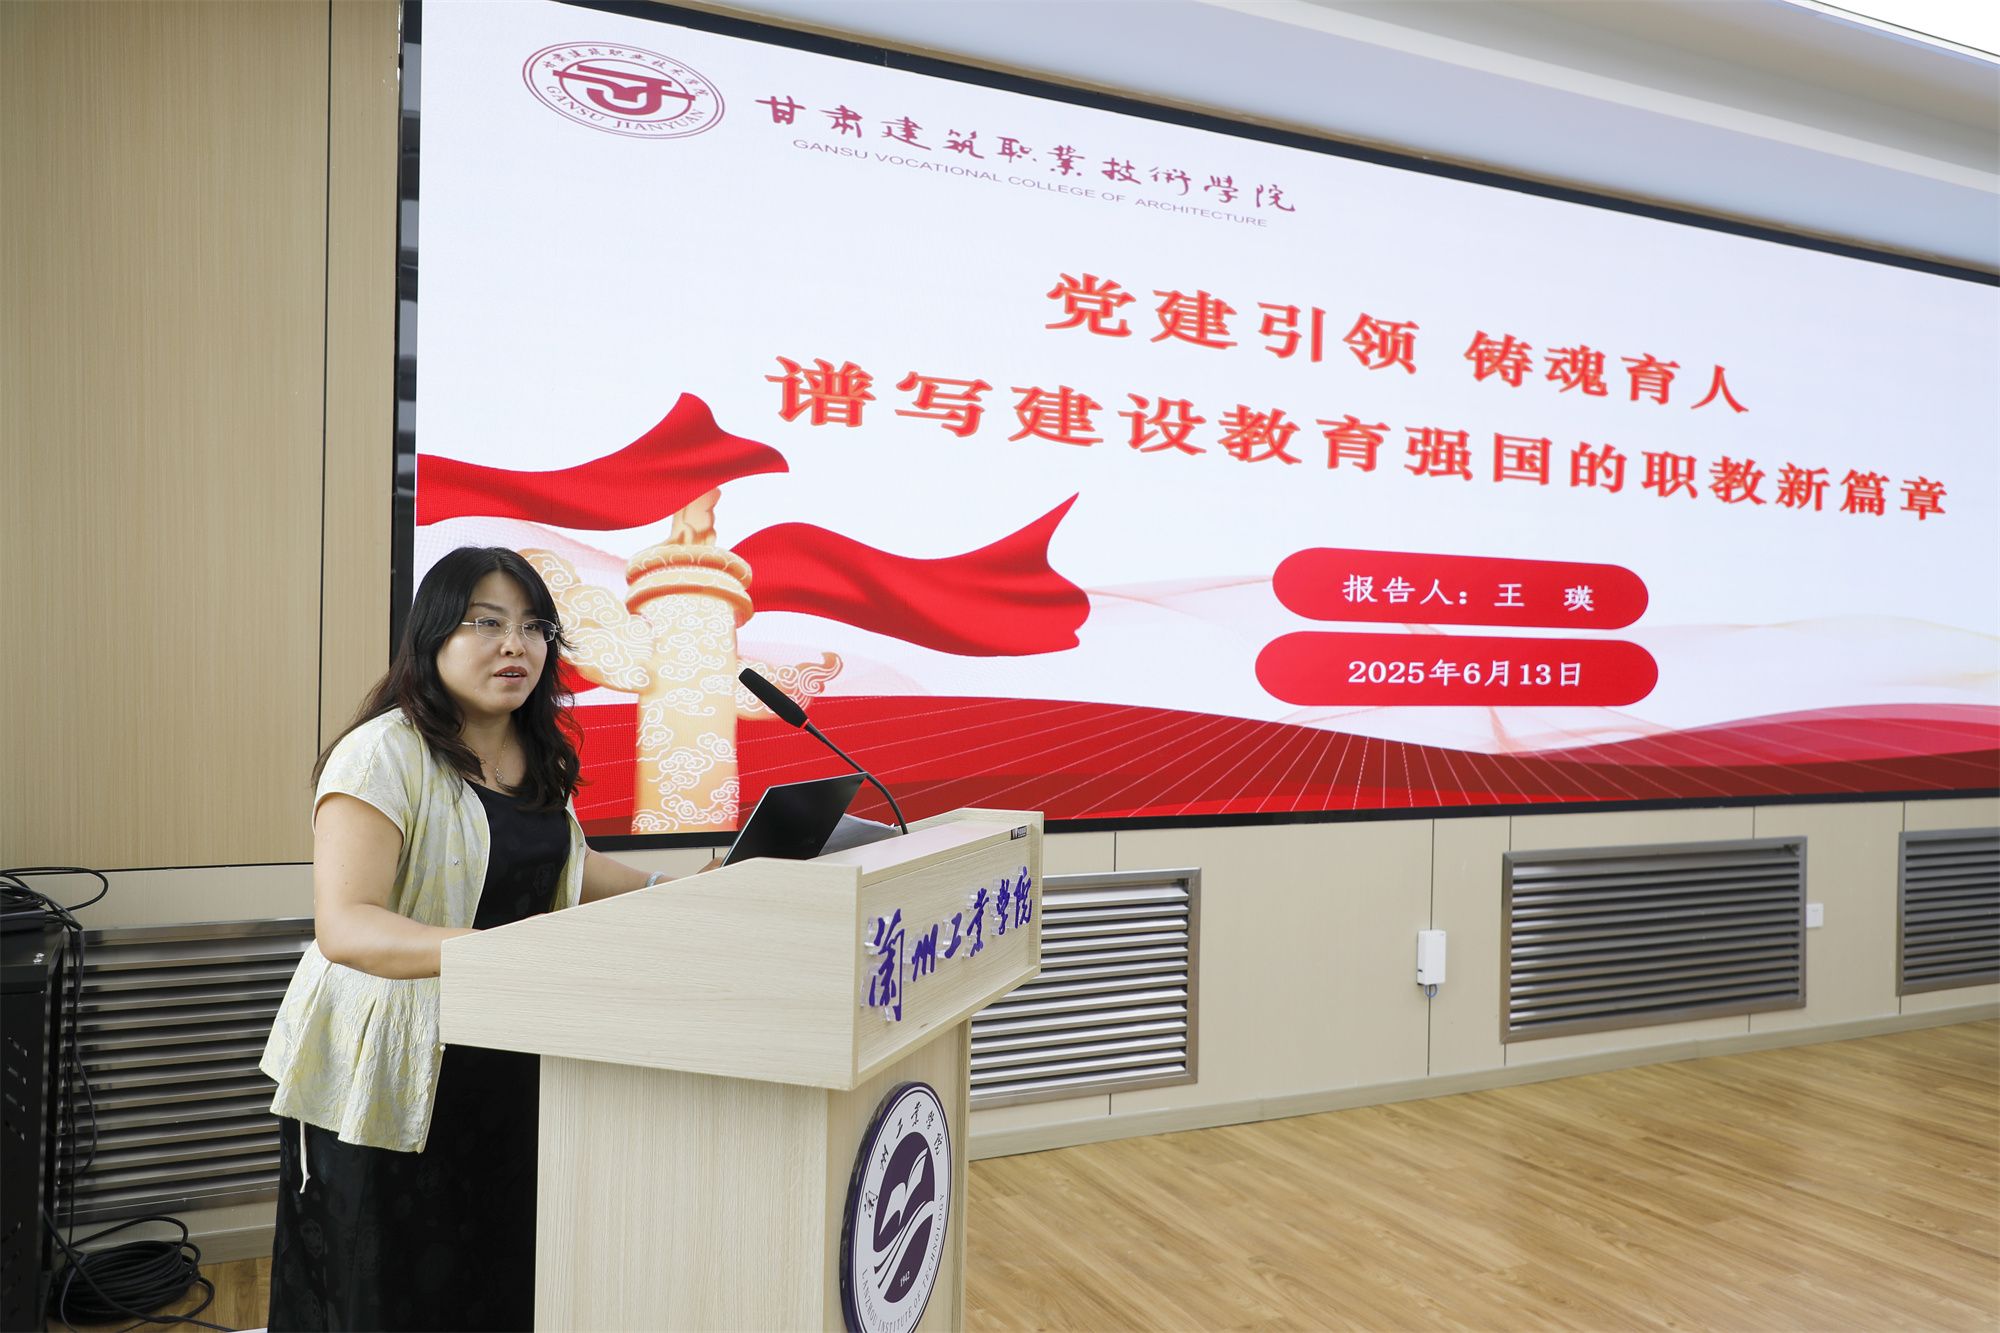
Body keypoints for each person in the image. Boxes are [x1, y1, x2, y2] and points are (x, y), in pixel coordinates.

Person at [259, 546, 684, 1331]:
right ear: (433, 637)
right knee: (387, 1287)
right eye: (486, 623)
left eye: (533, 626)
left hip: (507, 1060)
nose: (515, 644)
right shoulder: (382, 753)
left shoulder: (532, 748)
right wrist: (498, 957)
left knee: (495, 1272)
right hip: (388, 1072)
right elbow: (346, 923)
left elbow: (565, 863)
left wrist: (676, 889)